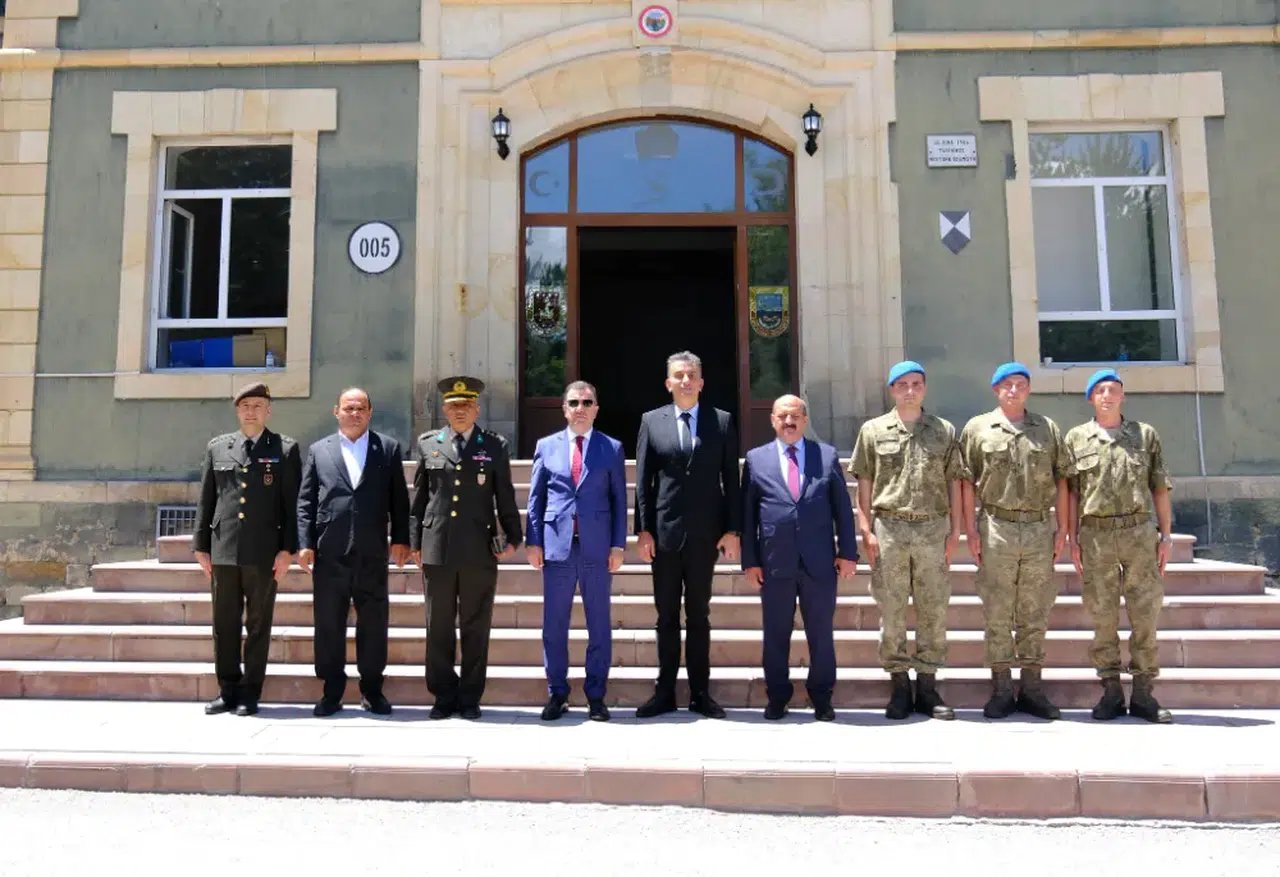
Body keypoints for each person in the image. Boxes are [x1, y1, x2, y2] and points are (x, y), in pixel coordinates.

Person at [849, 360, 966, 721]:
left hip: (933, 529)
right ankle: (899, 685)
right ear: (892, 390)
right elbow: (864, 485)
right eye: (902, 385)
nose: (910, 391)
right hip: (891, 529)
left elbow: (955, 482)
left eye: (916, 384)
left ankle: (928, 686)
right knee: (893, 609)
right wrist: (866, 530)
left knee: (933, 609)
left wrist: (956, 531)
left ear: (925, 388)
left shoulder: (943, 431)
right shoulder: (873, 431)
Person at [634, 351, 742, 719]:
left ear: (700, 382)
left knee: (699, 615)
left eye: (691, 375)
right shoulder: (652, 421)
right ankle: (664, 693)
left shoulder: (722, 422)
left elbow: (732, 478)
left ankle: (700, 693)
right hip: (664, 536)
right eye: (678, 375)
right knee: (666, 617)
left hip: (705, 535)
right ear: (668, 383)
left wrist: (732, 529)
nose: (685, 381)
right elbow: (643, 482)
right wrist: (643, 530)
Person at [959, 363, 1069, 720]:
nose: (1013, 390)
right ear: (995, 390)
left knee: (1035, 609)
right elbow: (965, 481)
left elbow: (1063, 480)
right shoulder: (978, 429)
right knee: (997, 609)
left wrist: (1063, 529)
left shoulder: (1047, 428)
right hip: (996, 526)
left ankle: (1033, 688)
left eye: (1020, 384)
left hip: (1038, 527)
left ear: (1028, 390)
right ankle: (1002, 687)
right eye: (1006, 385)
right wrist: (970, 531)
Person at [1065, 368, 1175, 724]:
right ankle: (1110, 691)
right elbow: (1069, 493)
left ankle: (1144, 693)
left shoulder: (1144, 436)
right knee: (1102, 615)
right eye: (1100, 391)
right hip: (1096, 535)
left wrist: (1167, 535)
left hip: (1139, 533)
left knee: (1145, 613)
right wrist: (1070, 537)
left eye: (1113, 389)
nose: (1108, 396)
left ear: (1123, 396)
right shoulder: (1076, 438)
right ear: (1091, 399)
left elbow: (1159, 486)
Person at [410, 377, 522, 721]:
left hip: (478, 548)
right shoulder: (428, 444)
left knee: (476, 624)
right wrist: (414, 541)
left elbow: (504, 494)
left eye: (466, 405)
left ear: (477, 409)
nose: (459, 411)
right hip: (437, 548)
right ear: (444, 410)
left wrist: (514, 538)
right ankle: (443, 696)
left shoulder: (494, 445)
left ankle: (471, 696)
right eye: (453, 406)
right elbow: (418, 499)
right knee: (439, 625)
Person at [741, 395, 858, 721]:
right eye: (782, 416)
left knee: (820, 633)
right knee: (775, 633)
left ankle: (822, 696)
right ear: (773, 420)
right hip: (774, 563)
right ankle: (777, 696)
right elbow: (747, 516)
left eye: (795, 416)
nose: (789, 422)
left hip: (818, 562)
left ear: (805, 420)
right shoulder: (755, 459)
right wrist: (750, 561)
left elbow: (842, 510)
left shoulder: (826, 456)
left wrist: (847, 552)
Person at [297, 388, 411, 717]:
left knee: (374, 623)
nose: (355, 413)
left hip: (372, 550)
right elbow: (306, 501)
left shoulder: (387, 449)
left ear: (370, 412)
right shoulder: (319, 451)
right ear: (337, 412)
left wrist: (401, 538)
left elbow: (399, 500)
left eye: (361, 408)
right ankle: (331, 692)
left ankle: (372, 690)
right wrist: (305, 542)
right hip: (329, 550)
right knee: (329, 624)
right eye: (349, 408)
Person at [192, 382, 301, 717]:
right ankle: (228, 690)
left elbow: (291, 503)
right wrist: (201, 545)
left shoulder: (284, 448)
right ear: (237, 411)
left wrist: (288, 550)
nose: (251, 411)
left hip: (263, 551)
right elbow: (207, 498)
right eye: (244, 406)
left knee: (257, 624)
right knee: (224, 624)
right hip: (223, 549)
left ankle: (251, 693)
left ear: (268, 410)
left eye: (257, 405)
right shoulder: (218, 448)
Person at [525, 381, 628, 722]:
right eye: (574, 402)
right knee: (555, 624)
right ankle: (558, 693)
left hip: (597, 548)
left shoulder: (610, 448)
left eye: (587, 402)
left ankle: (596, 696)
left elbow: (619, 501)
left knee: (599, 624)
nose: (581, 407)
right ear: (564, 408)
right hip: (558, 547)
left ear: (597, 408)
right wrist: (534, 541)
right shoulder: (546, 446)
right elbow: (535, 499)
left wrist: (617, 545)